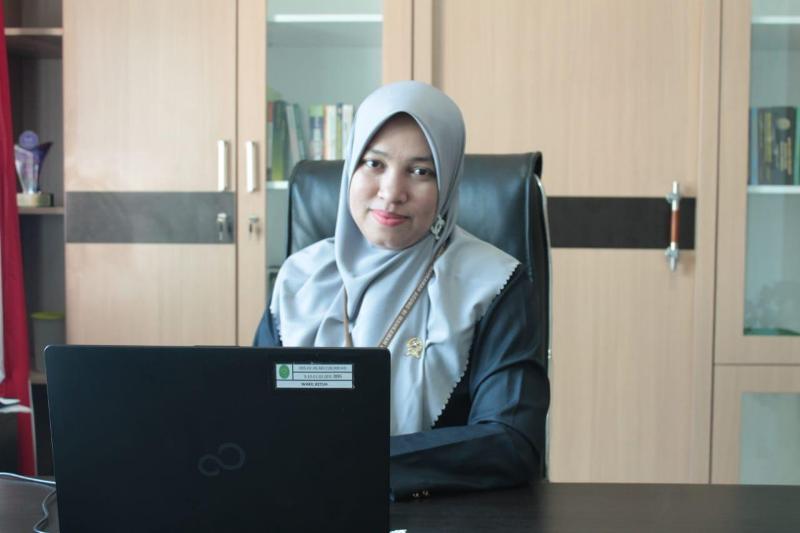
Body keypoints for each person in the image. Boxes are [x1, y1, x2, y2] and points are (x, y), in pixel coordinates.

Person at [254, 80, 549, 499]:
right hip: (298, 502)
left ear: (448, 183)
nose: (392, 193)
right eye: (374, 163)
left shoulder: (495, 284)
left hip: (438, 512)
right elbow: (253, 414)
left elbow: (511, 442)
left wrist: (355, 462)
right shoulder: (300, 278)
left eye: (421, 171)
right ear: (351, 169)